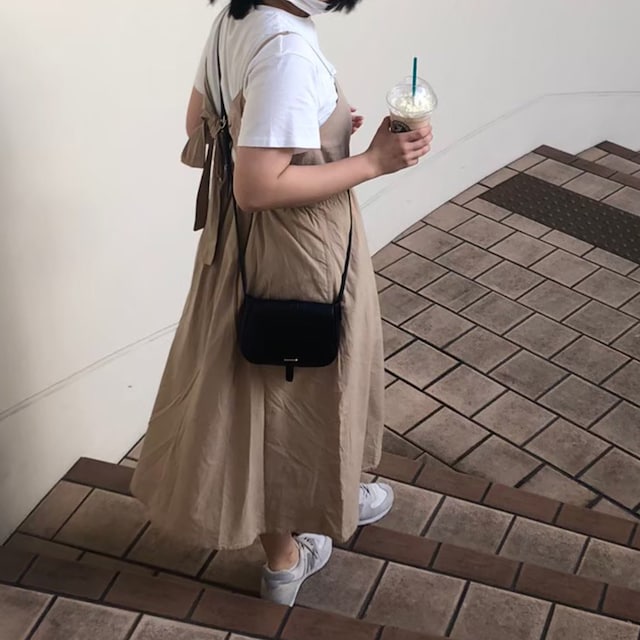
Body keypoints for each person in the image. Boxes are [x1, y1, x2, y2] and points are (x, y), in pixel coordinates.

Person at [130, 0, 433, 607]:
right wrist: (371, 162)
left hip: (239, 247)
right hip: (298, 248)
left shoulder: (236, 20)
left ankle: (324, 502)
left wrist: (317, 129)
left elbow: (201, 123)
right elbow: (258, 185)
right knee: (293, 391)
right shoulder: (287, 48)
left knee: (262, 388)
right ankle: (286, 558)